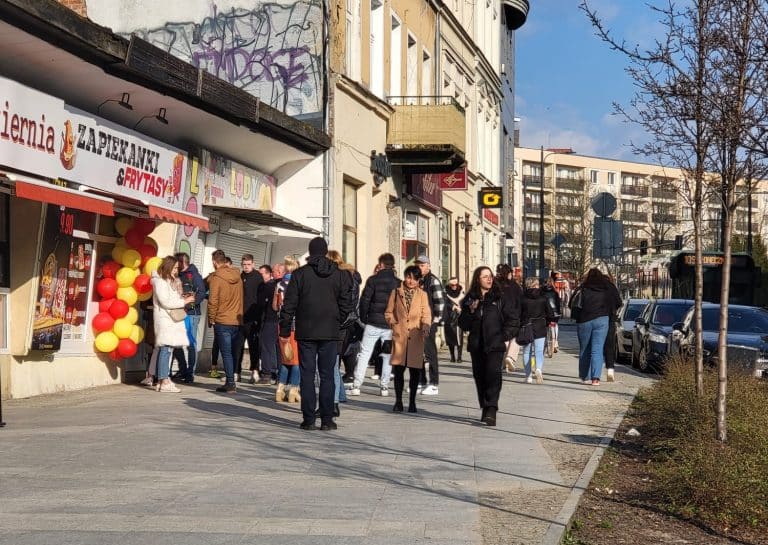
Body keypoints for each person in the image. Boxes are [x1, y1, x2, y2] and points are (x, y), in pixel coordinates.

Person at [279, 238, 355, 430]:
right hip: (330, 331)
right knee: (328, 375)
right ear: (326, 251)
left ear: (310, 252)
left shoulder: (299, 275)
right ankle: (328, 420)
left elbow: (289, 305)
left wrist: (285, 330)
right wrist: (338, 320)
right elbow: (348, 304)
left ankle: (309, 419)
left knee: (307, 374)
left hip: (306, 331)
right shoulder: (340, 275)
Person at [459, 266, 518, 426]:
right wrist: (470, 312)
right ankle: (485, 406)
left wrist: (504, 336)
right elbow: (463, 324)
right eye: (485, 276)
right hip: (477, 345)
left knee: (493, 375)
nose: (489, 279)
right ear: (478, 279)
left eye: (490, 276)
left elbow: (513, 320)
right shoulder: (470, 299)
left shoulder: (500, 297)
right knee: (480, 377)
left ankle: (491, 407)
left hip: (495, 344)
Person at [349, 253, 400, 397]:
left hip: (372, 323)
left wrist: (365, 318)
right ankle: (384, 387)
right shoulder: (398, 283)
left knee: (364, 354)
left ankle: (357, 385)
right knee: (387, 355)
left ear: (381, 264)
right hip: (390, 325)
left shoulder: (372, 280)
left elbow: (364, 301)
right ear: (393, 265)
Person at [385, 265, 431, 413]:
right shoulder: (396, 292)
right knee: (398, 371)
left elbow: (426, 314)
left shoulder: (422, 295)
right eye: (408, 277)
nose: (410, 281)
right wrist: (393, 322)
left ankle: (412, 402)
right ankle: (398, 401)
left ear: (419, 280)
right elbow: (388, 312)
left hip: (416, 336)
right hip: (400, 336)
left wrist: (425, 326)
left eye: (414, 278)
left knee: (415, 372)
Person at [151, 256, 196, 393]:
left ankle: (161, 380)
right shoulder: (160, 282)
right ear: (168, 267)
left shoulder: (166, 281)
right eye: (175, 267)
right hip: (165, 320)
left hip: (169, 320)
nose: (176, 271)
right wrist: (184, 301)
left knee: (166, 349)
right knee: (165, 349)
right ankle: (164, 380)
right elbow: (166, 301)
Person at [571, 268, 622, 385]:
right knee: (597, 349)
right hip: (602, 319)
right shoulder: (607, 288)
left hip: (584, 320)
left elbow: (572, 303)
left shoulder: (583, 288)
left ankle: (585, 376)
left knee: (585, 349)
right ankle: (595, 379)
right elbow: (618, 302)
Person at [208, 250, 244, 394]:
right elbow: (241, 297)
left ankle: (230, 382)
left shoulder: (217, 278)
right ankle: (231, 379)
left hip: (222, 319)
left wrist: (211, 318)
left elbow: (213, 300)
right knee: (233, 352)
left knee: (226, 353)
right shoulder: (238, 276)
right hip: (236, 320)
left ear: (215, 262)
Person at [170, 253, 205, 383]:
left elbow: (201, 292)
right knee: (177, 343)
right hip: (179, 312)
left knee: (191, 343)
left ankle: (190, 372)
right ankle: (183, 369)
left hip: (191, 314)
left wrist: (190, 304)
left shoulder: (194, 275)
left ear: (182, 262)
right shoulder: (177, 275)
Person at [414, 255, 445, 395]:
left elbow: (439, 302)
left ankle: (434, 383)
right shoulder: (417, 280)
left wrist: (436, 320)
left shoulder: (433, 281)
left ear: (428, 266)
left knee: (430, 352)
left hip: (429, 322)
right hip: (416, 322)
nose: (419, 267)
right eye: (417, 265)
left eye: (421, 265)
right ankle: (421, 381)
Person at [272, 256, 301, 402]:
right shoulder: (299, 283)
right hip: (295, 325)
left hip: (281, 325)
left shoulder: (279, 284)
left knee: (285, 359)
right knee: (296, 360)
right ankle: (293, 391)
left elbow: (275, 306)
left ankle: (280, 389)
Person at [520, 277, 555, 384]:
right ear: (536, 285)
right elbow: (550, 313)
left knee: (527, 352)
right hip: (540, 325)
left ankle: (528, 376)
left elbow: (517, 313)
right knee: (539, 351)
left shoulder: (522, 298)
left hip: (526, 326)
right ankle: (538, 369)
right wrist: (548, 321)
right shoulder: (543, 297)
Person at [237, 254, 263, 383]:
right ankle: (237, 371)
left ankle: (255, 371)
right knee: (238, 346)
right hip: (239, 317)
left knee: (253, 345)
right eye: (244, 265)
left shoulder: (258, 277)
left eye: (248, 264)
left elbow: (260, 298)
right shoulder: (240, 277)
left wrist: (258, 317)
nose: (246, 267)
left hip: (252, 318)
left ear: (253, 264)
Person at [503, 274, 524, 372]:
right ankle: (510, 357)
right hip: (515, 316)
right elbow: (521, 303)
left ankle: (504, 363)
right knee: (516, 337)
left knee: (505, 338)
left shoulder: (498, 286)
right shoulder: (517, 288)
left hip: (502, 316)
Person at [603, 274, 620, 382]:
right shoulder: (612, 288)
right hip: (610, 319)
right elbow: (619, 302)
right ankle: (610, 369)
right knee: (609, 345)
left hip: (598, 318)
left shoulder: (598, 288)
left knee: (597, 345)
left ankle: (594, 371)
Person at [443, 277, 465, 362]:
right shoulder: (445, 292)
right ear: (449, 284)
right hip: (449, 317)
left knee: (460, 337)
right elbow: (444, 303)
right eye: (452, 285)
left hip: (459, 318)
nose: (454, 286)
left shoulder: (461, 292)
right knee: (450, 337)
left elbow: (465, 302)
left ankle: (459, 357)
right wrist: (453, 307)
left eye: (456, 284)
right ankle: (452, 356)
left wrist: (462, 308)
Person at [541, 273, 562, 353]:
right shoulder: (555, 292)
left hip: (545, 313)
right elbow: (558, 304)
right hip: (554, 313)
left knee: (545, 327)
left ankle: (546, 343)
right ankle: (555, 342)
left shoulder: (541, 291)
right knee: (555, 325)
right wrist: (558, 312)